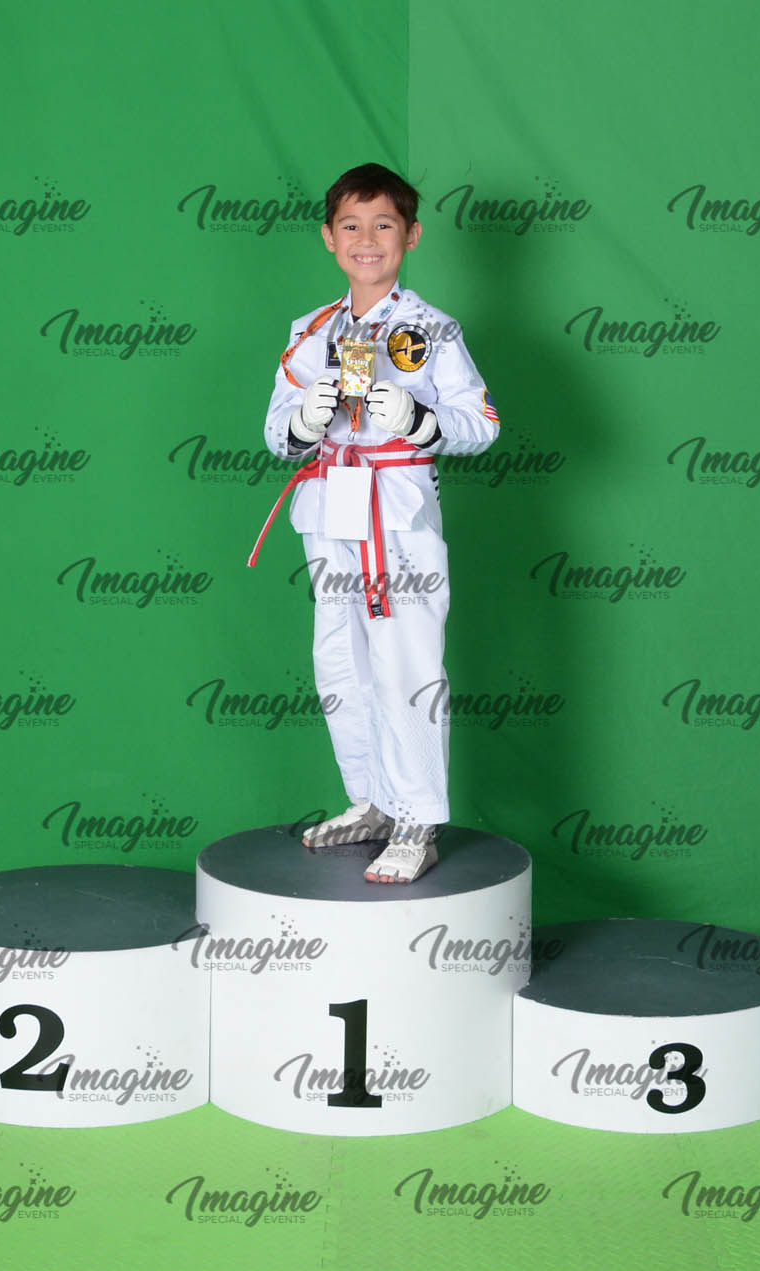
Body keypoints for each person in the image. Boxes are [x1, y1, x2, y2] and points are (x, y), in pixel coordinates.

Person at [251, 163, 499, 883]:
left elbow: (482, 422)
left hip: (397, 510)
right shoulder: (309, 331)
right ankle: (373, 801)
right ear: (329, 238)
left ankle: (417, 818)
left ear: (411, 236)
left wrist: (420, 419)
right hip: (332, 504)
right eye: (351, 225)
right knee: (339, 659)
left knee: (405, 663)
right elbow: (275, 434)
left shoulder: (432, 329)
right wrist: (304, 420)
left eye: (384, 224)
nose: (367, 239)